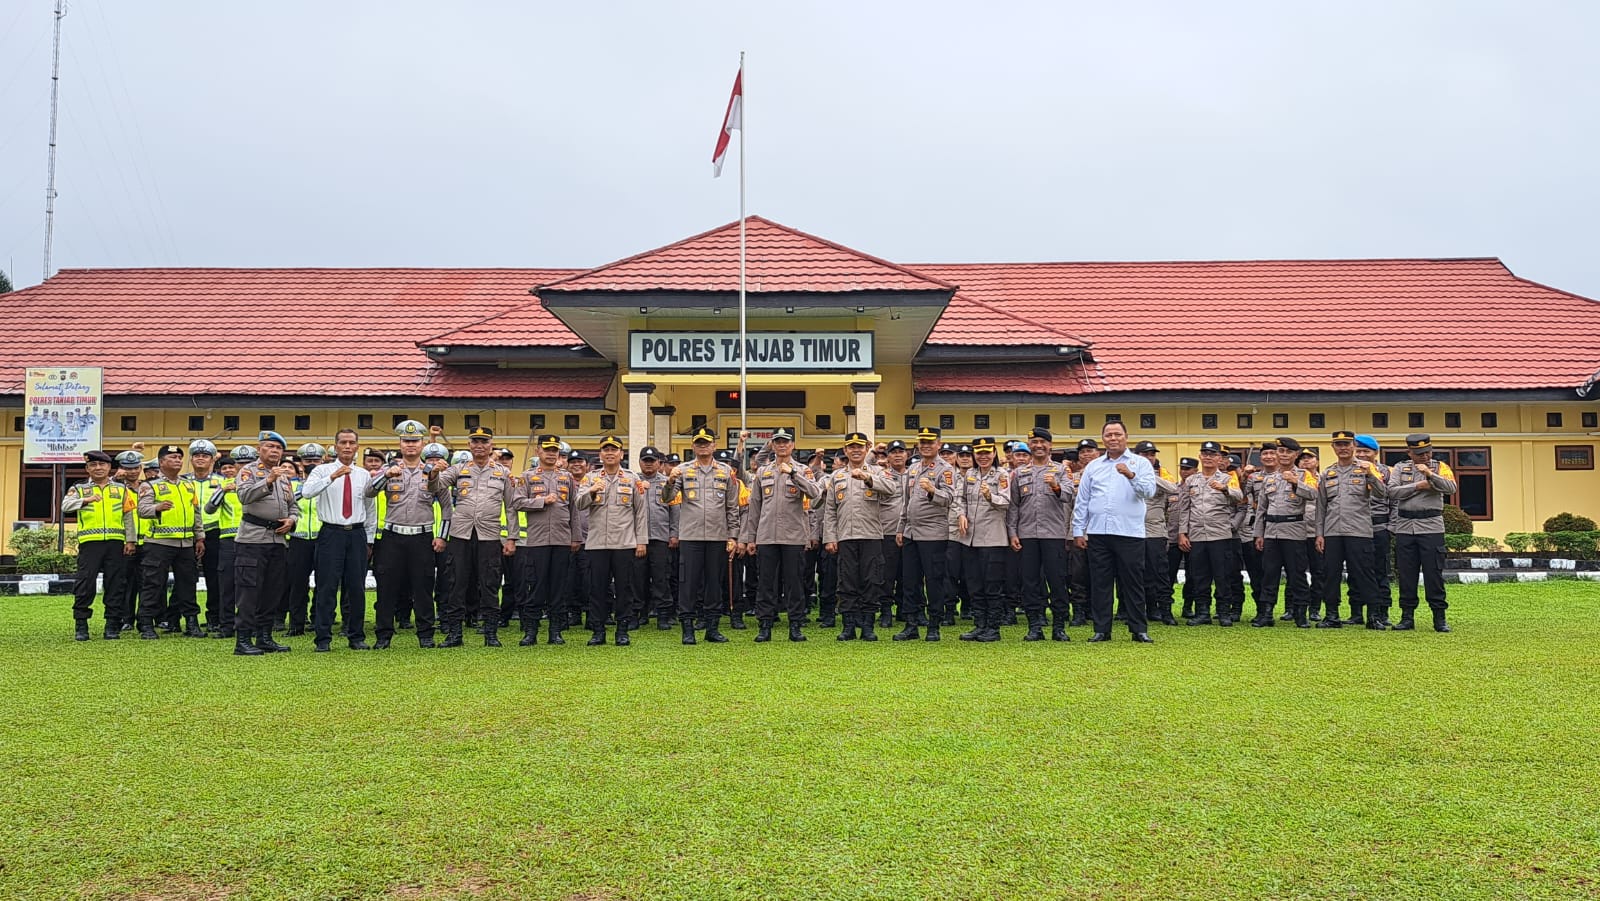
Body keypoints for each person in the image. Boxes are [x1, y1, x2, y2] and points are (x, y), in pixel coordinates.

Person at [1070, 422, 1158, 643]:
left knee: (1133, 582)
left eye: (1117, 434)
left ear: (1126, 437)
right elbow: (1083, 500)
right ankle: (1102, 629)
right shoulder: (1094, 466)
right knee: (1100, 582)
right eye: (1108, 435)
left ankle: (1138, 629)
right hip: (1099, 532)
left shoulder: (1140, 463)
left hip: (1130, 533)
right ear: (1103, 439)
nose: (1113, 438)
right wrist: (1079, 530)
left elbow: (1149, 491)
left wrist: (1131, 475)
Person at [435, 426, 517, 647]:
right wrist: (434, 472)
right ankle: (454, 634)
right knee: (456, 583)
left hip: (489, 535)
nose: (479, 446)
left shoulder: (503, 473)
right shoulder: (458, 469)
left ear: (491, 446)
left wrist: (511, 538)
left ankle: (491, 633)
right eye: (475, 442)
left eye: (484, 442)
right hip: (460, 534)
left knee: (490, 583)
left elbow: (511, 507)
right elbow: (435, 486)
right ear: (469, 445)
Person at [369, 420, 447, 649]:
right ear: (400, 443)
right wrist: (386, 475)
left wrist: (442, 536)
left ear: (422, 444)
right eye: (406, 441)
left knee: (423, 587)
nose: (410, 445)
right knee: (387, 588)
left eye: (415, 441)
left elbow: (446, 507)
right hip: (392, 537)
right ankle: (383, 636)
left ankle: (426, 635)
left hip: (422, 537)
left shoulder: (431, 471)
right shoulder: (389, 469)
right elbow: (368, 491)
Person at [742, 428, 823, 642]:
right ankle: (765, 625)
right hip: (767, 535)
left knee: (794, 581)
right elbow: (755, 507)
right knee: (766, 582)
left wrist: (793, 474)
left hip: (793, 535)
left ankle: (795, 625)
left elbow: (815, 494)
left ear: (792, 445)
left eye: (785, 442)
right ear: (773, 445)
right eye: (778, 442)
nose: (782, 445)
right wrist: (751, 538)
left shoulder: (803, 470)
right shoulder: (763, 472)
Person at [660, 426, 740, 644]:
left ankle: (712, 628)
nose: (703, 446)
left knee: (714, 583)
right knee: (689, 584)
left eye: (707, 442)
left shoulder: (726, 472)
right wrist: (668, 480)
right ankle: (688, 629)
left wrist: (733, 536)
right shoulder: (683, 470)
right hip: (691, 536)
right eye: (699, 443)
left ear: (714, 445)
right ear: (693, 446)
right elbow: (667, 499)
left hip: (717, 536)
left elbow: (732, 507)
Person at [300, 428, 377, 651]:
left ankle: (356, 636)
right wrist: (332, 477)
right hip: (331, 532)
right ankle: (323, 638)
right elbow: (307, 493)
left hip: (356, 533)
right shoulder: (321, 470)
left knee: (356, 587)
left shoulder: (363, 474)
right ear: (334, 447)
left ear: (357, 447)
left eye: (351, 443)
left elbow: (370, 508)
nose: (347, 447)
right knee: (326, 586)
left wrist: (369, 539)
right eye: (342, 442)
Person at [574, 435, 649, 646]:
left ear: (621, 454)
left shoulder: (632, 479)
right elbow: (578, 504)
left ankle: (622, 630)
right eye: (605, 450)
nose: (609, 453)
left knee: (624, 588)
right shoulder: (590, 478)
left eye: (613, 449)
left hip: (624, 543)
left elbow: (640, 512)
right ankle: (598, 631)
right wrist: (591, 491)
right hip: (597, 543)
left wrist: (641, 541)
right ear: (600, 454)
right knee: (597, 588)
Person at [825, 431, 900, 641]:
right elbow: (830, 510)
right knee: (846, 581)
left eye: (860, 447)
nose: (856, 450)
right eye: (851, 447)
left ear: (867, 448)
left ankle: (868, 625)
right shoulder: (837, 476)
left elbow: (892, 489)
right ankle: (849, 625)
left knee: (871, 579)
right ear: (846, 450)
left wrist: (868, 478)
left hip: (871, 535)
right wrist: (830, 538)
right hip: (846, 536)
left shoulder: (878, 472)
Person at [232, 431, 298, 655]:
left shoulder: (285, 476)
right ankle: (243, 640)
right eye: (270, 446)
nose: (274, 451)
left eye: (278, 448)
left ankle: (265, 637)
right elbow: (244, 496)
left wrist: (292, 520)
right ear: (259, 449)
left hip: (277, 541)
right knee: (249, 592)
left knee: (272, 591)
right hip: (252, 540)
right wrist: (267, 481)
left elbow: (294, 506)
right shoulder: (248, 471)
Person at [1315, 430, 1388, 629]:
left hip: (1359, 531)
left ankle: (1373, 616)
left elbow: (1382, 494)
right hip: (1332, 532)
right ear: (1333, 448)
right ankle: (1332, 615)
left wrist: (1370, 475)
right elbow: (1321, 506)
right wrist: (1319, 534)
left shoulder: (1366, 468)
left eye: (1347, 444)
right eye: (1339, 445)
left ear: (1354, 446)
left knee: (1364, 573)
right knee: (1330, 575)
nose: (1343, 448)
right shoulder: (1327, 473)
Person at [62, 450, 137, 640]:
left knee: (116, 584)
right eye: (93, 465)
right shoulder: (78, 488)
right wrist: (85, 501)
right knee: (85, 584)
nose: (98, 468)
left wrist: (131, 540)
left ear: (109, 467)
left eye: (102, 465)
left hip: (116, 543)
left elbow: (128, 516)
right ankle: (81, 625)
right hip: (90, 544)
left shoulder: (121, 489)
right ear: (87, 468)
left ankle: (112, 625)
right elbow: (65, 506)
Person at [1006, 427, 1073, 641]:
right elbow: (1014, 505)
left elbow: (1069, 496)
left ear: (1050, 445)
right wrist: (1012, 532)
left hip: (1053, 534)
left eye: (1042, 442)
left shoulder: (1061, 470)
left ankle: (1059, 626)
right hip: (1026, 534)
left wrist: (1055, 487)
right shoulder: (1019, 472)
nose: (1038, 446)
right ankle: (1034, 625)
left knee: (1057, 580)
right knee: (1030, 581)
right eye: (1034, 442)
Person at [512, 435, 579, 645]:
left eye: (554, 450)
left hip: (561, 539)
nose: (551, 454)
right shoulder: (528, 476)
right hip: (537, 540)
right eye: (547, 449)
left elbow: (574, 510)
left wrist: (575, 537)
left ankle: (555, 631)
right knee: (537, 585)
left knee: (558, 587)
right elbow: (517, 502)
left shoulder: (566, 477)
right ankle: (531, 631)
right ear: (538, 451)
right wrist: (541, 501)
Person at [1387, 433, 1457, 632]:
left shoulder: (1440, 467)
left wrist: (1430, 475)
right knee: (1406, 574)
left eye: (1427, 452)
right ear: (1409, 452)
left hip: (1431, 527)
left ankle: (1439, 617)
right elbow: (1392, 492)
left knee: (1433, 573)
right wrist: (1419, 485)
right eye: (1419, 454)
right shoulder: (1400, 468)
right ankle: (1407, 617)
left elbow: (1451, 488)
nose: (1424, 457)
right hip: (1405, 527)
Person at [135, 444, 205, 639]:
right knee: (153, 584)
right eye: (172, 457)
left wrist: (199, 537)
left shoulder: (187, 485)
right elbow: (141, 510)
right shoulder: (150, 485)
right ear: (161, 462)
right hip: (159, 542)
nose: (177, 460)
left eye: (179, 458)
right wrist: (157, 508)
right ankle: (146, 623)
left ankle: (191, 622)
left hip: (185, 543)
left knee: (188, 583)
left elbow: (196, 513)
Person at [1253, 438, 1319, 627]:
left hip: (1294, 530)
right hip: (1271, 531)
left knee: (1296, 574)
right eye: (1280, 451)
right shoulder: (1269, 478)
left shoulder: (1304, 475)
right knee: (1269, 574)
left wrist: (1296, 483)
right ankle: (1266, 614)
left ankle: (1300, 614)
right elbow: (1261, 510)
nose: (1283, 455)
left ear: (1295, 455)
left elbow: (1314, 494)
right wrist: (1259, 534)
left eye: (1287, 452)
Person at [897, 428, 955, 640]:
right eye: (922, 442)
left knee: (934, 581)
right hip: (912, 533)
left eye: (930, 442)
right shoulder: (912, 468)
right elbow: (906, 502)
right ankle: (911, 624)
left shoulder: (945, 469)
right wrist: (900, 528)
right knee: (910, 580)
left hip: (933, 534)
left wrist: (932, 490)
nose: (925, 445)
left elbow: (949, 498)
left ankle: (934, 625)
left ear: (938, 444)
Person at [1177, 441, 1243, 626]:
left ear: (1219, 458)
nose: (1208, 457)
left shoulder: (1227, 478)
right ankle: (1202, 612)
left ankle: (1223, 612)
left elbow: (1239, 497)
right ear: (1200, 457)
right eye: (1204, 453)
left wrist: (1224, 489)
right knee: (1199, 575)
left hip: (1220, 535)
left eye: (1212, 454)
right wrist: (1182, 533)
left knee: (1222, 575)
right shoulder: (1191, 480)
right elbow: (1184, 508)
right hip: (1197, 535)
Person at [958, 437, 1010, 641]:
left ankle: (993, 628)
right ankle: (980, 625)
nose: (983, 456)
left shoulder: (1001, 475)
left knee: (992, 584)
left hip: (993, 538)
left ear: (994, 453)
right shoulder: (969, 474)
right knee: (974, 584)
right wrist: (961, 514)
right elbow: (959, 498)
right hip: (970, 538)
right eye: (979, 453)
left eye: (987, 452)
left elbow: (1006, 502)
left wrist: (991, 496)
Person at [183, 439, 227, 634]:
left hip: (214, 533)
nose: (201, 458)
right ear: (191, 459)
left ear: (212, 460)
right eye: (197, 455)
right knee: (185, 577)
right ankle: (184, 618)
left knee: (215, 577)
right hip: (186, 533)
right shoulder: (183, 482)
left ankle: (214, 617)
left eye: (205, 456)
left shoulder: (223, 482)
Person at [1134, 440, 1180, 626]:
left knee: (1160, 573)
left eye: (1152, 455)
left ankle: (1165, 610)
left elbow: (1174, 489)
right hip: (1132, 531)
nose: (1149, 458)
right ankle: (1143, 610)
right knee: (1136, 574)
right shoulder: (1124, 472)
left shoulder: (1162, 474)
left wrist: (1149, 477)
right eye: (1145, 454)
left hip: (1155, 531)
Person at [634, 447, 677, 630]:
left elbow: (675, 510)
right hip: (637, 539)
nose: (649, 464)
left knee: (661, 578)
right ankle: (639, 613)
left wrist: (674, 533)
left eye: (652, 460)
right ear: (640, 462)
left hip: (661, 537)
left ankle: (663, 615)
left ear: (659, 463)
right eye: (646, 460)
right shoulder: (633, 481)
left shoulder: (667, 483)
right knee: (637, 578)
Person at [1355, 435, 1395, 626]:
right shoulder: (1349, 470)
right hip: (1354, 527)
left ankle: (1382, 611)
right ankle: (1356, 612)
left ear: (1375, 452)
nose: (1362, 454)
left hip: (1379, 525)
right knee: (1355, 570)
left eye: (1366, 451)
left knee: (1381, 570)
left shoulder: (1387, 472)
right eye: (1359, 451)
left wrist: (1392, 526)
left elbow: (1395, 500)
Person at [203, 453, 243, 638]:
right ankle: (226, 626)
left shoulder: (250, 486)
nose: (228, 471)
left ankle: (246, 624)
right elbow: (209, 508)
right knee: (226, 584)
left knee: (250, 584)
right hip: (227, 540)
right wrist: (223, 491)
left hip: (250, 539)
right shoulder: (220, 487)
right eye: (224, 468)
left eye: (231, 467)